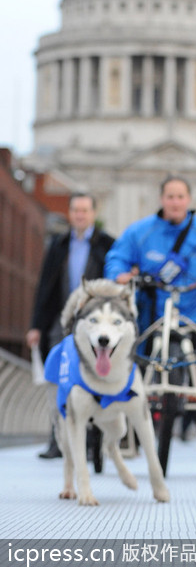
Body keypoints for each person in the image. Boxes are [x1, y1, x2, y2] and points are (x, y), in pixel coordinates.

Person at [104, 175, 196, 449]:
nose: (175, 202)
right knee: (138, 370)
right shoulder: (141, 232)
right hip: (154, 316)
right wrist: (118, 274)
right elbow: (118, 256)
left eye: (180, 196)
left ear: (189, 200)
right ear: (161, 200)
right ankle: (129, 435)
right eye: (170, 196)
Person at [25, 192, 115, 459]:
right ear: (70, 213)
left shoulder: (108, 244)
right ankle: (57, 441)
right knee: (58, 378)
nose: (80, 215)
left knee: (94, 377)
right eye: (76, 210)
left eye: (85, 210)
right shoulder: (58, 244)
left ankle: (91, 443)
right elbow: (44, 286)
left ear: (93, 214)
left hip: (94, 323)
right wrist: (36, 325)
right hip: (59, 322)